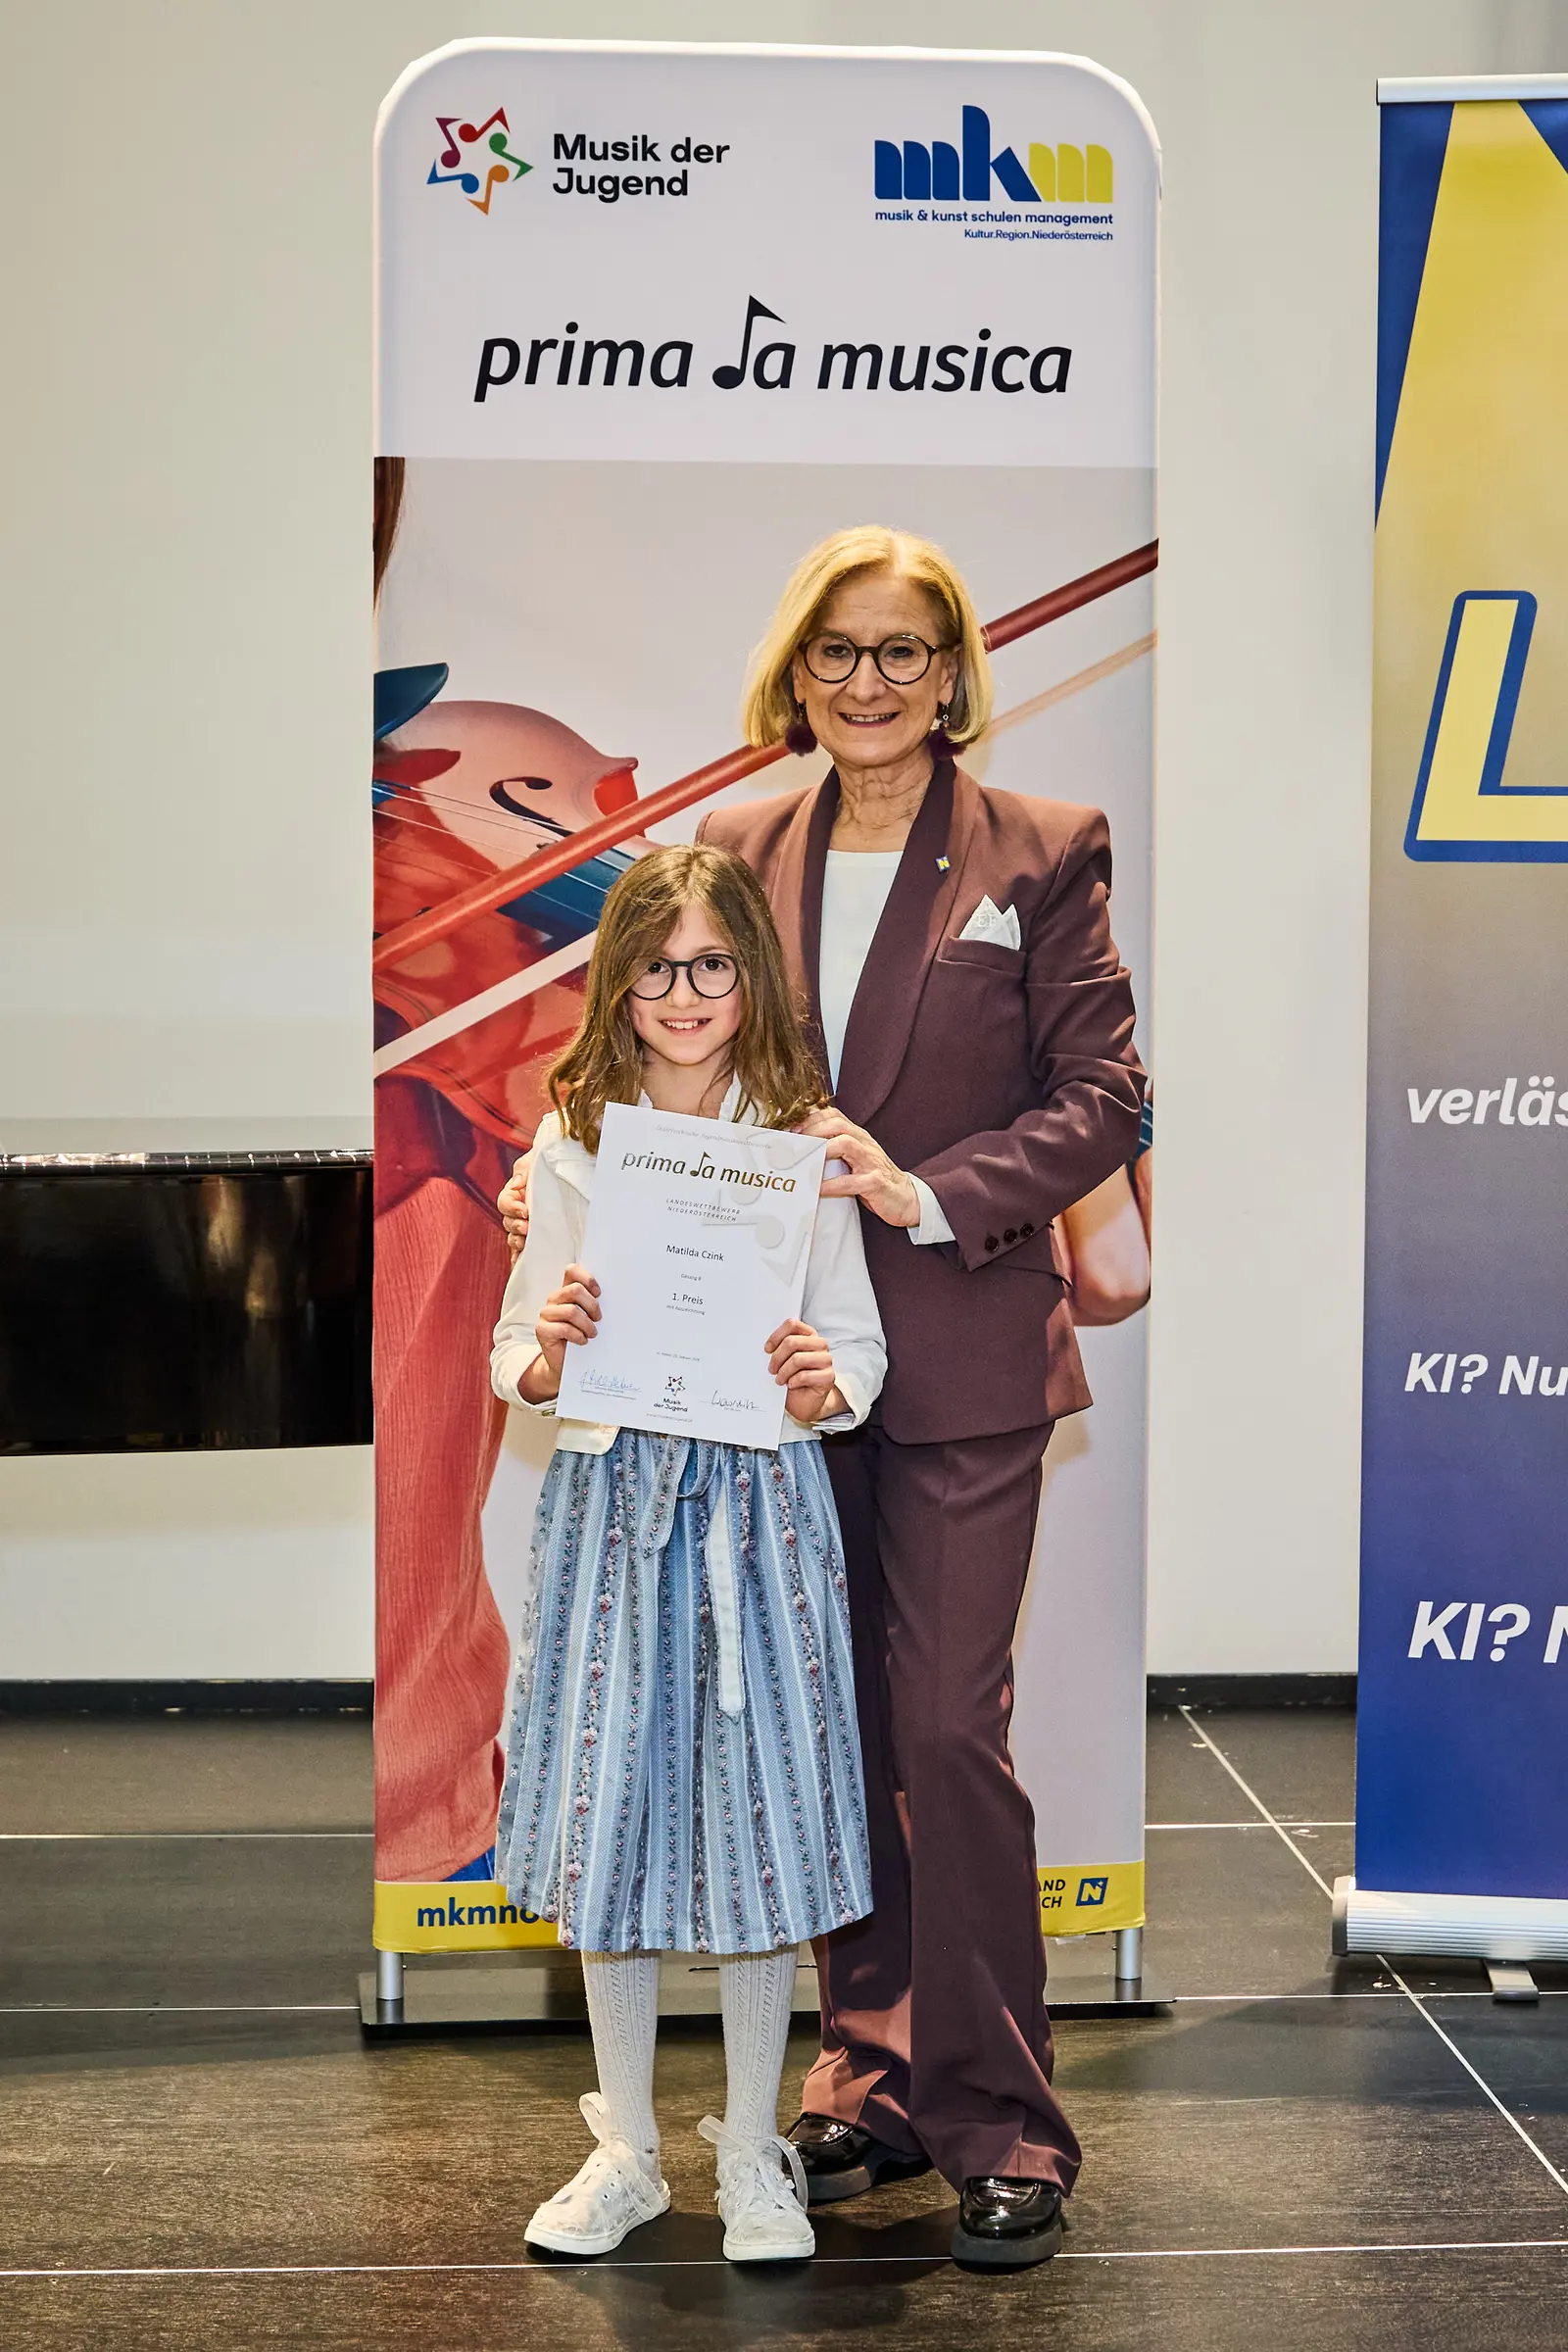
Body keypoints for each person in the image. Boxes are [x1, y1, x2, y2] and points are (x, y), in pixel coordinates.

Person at [500, 524, 1145, 2270]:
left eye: (903, 650)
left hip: (954, 1349)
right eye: (839, 651)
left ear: (954, 672)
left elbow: (1107, 1098)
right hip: (752, 1386)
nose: (870, 681)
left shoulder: (1043, 850)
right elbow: (659, 1068)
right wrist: (565, 1184)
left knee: (944, 1733)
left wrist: (922, 1191)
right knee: (824, 1742)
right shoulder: (736, 846)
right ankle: (869, 2079)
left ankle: (1000, 2117)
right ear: (797, 671)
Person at [489, 843, 887, 2266]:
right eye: (656, 968)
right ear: (618, 983)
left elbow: (855, 1348)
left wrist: (817, 1381)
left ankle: (755, 2151)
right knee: (614, 1818)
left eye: (712, 963)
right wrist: (551, 1350)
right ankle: (632, 2155)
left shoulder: (798, 1145)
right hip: (613, 1509)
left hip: (758, 1512)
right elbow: (515, 1352)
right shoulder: (573, 1141)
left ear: (751, 977)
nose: (684, 992)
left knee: (758, 1823)